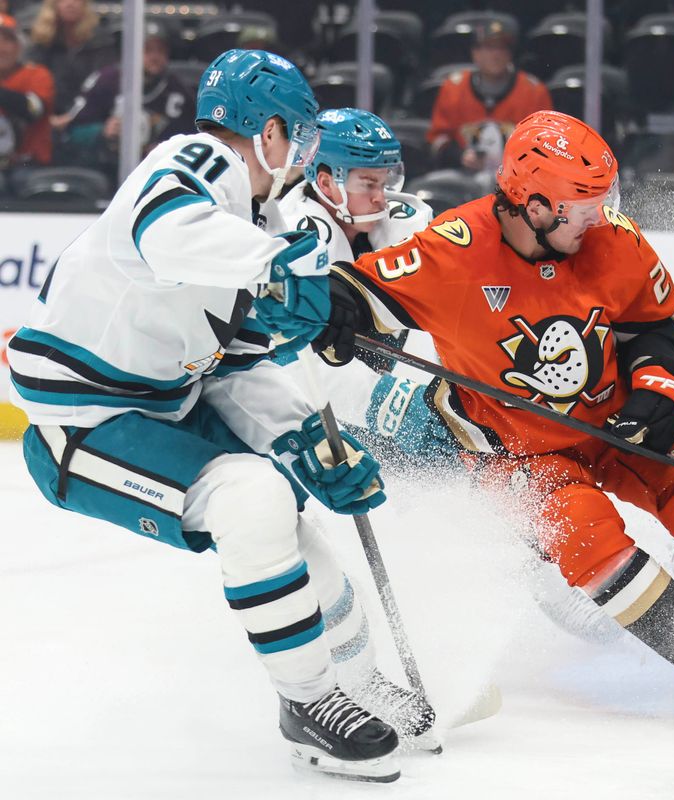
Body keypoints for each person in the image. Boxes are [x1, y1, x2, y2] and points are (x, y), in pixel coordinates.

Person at [6, 49, 424, 782]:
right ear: (268, 132)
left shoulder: (251, 218)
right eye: (296, 136)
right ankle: (308, 703)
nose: (298, 157)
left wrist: (301, 441)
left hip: (162, 403)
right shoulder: (200, 161)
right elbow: (165, 230)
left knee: (288, 524)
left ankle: (358, 685)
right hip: (81, 421)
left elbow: (236, 367)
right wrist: (277, 261)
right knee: (251, 498)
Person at [310, 110, 674, 721]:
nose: (600, 216)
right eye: (585, 203)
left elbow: (654, 325)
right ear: (535, 204)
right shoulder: (455, 250)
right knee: (589, 543)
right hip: (516, 451)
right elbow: (357, 290)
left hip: (618, 422)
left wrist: (654, 398)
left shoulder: (612, 239)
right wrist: (332, 314)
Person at [270, 107, 444, 467]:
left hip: (421, 410)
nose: (382, 197)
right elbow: (290, 361)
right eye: (368, 184)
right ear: (326, 183)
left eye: (386, 182)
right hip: (325, 427)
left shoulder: (411, 226)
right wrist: (392, 405)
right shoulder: (284, 243)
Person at [52, 22, 193, 175]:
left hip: (158, 174)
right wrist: (101, 131)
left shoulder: (177, 89)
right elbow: (71, 134)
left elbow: (194, 138)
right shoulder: (106, 80)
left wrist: (166, 149)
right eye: (148, 50)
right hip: (107, 171)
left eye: (160, 51)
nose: (155, 57)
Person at [426, 20, 552, 178]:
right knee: (437, 181)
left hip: (517, 176)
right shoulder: (453, 88)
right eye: (489, 48)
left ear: (510, 54)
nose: (496, 54)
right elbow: (437, 138)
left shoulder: (533, 91)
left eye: (502, 48)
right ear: (475, 53)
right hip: (463, 173)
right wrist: (459, 155)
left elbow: (545, 145)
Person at [27, 0, 116, 119]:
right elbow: (33, 85)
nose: (70, 3)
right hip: (48, 116)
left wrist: (72, 117)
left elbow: (102, 85)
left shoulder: (100, 42)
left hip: (91, 117)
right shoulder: (41, 44)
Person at [0, 14, 53, 172]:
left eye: (8, 40)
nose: (1, 47)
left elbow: (34, 110)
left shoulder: (36, 74)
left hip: (28, 166)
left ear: (19, 45)